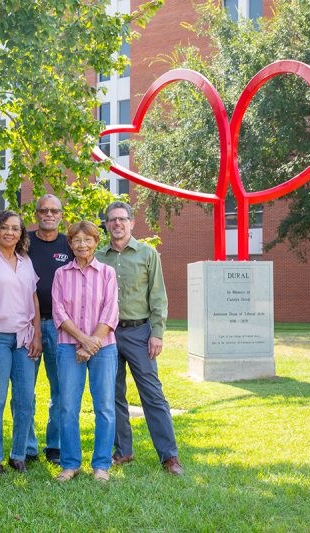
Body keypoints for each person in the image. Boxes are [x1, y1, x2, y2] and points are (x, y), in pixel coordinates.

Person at [95, 201, 184, 475]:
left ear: (132, 223)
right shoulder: (98, 257)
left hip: (139, 332)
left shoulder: (148, 253)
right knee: (113, 394)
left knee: (153, 394)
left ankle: (169, 457)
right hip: (107, 333)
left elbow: (158, 295)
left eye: (122, 219)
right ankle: (123, 451)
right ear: (106, 225)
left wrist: (157, 333)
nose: (117, 224)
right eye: (112, 220)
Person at [0, 209, 42, 474]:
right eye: (5, 227)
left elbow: (34, 299)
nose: (10, 233)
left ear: (21, 234)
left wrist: (37, 333)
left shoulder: (26, 261)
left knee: (25, 399)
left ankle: (18, 454)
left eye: (16, 228)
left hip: (25, 339)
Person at [51, 220, 119, 482]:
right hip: (69, 347)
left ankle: (101, 465)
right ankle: (71, 464)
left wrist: (91, 343)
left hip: (104, 347)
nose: (82, 244)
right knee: (68, 406)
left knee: (104, 406)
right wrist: (82, 340)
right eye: (77, 240)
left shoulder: (107, 273)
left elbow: (111, 310)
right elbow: (59, 310)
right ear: (70, 243)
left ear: (95, 242)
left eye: (88, 240)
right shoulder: (61, 274)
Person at [22, 194, 74, 466]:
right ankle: (28, 446)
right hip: (28, 325)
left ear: (61, 215)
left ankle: (54, 445)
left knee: (61, 390)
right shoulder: (23, 242)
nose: (49, 215)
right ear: (37, 213)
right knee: (24, 390)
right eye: (44, 210)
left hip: (60, 326)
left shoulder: (69, 244)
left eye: (54, 211)